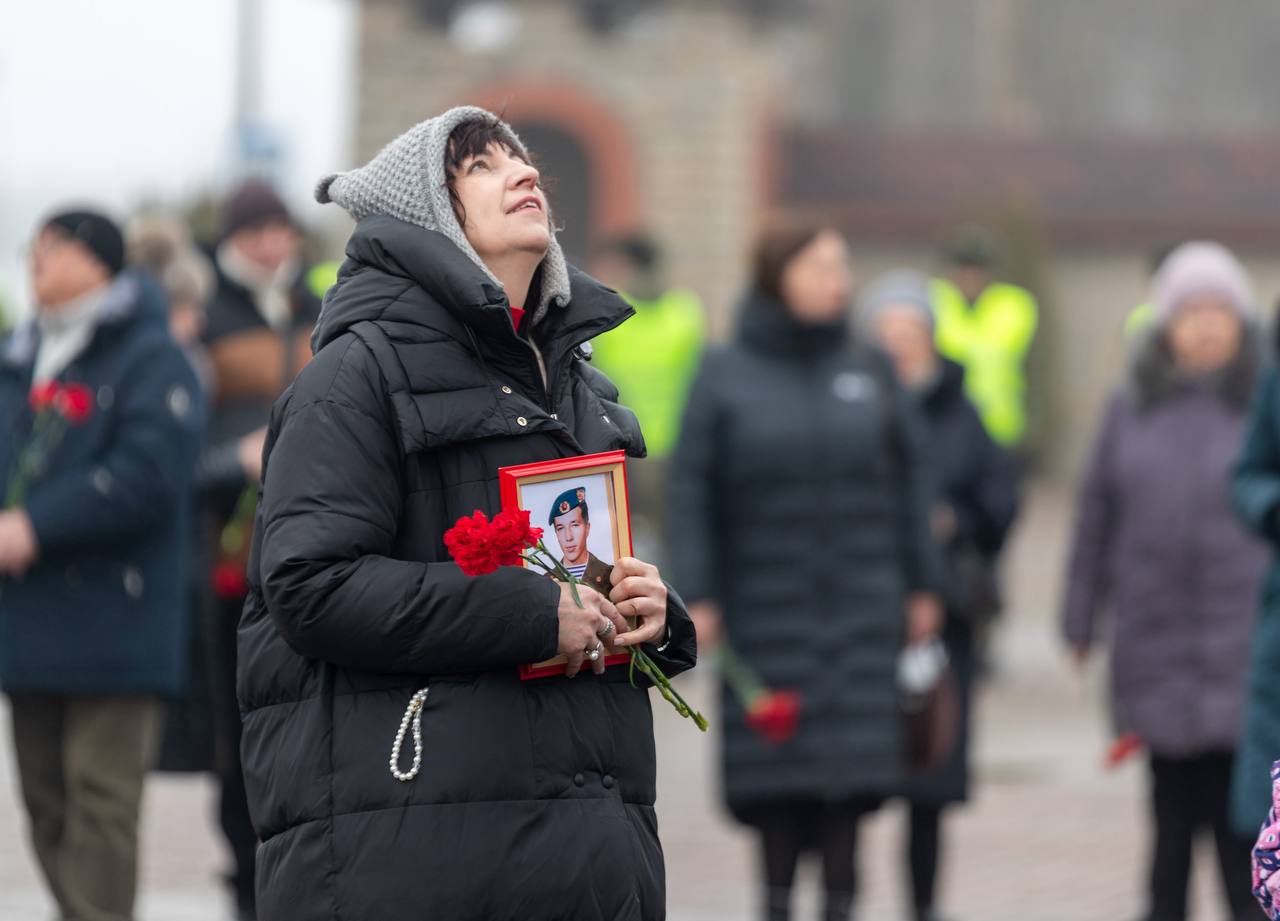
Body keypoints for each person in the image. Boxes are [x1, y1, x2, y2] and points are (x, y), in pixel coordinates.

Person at [236, 106, 697, 920]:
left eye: (524, 162)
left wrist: (648, 614)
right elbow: (307, 586)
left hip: (587, 855)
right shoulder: (353, 376)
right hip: (420, 851)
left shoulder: (579, 384)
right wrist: (527, 612)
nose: (524, 174)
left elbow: (577, 581)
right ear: (426, 214)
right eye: (481, 165)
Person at [668, 221, 945, 921]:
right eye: (819, 264)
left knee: (851, 791)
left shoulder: (870, 366)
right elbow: (690, 491)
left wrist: (923, 584)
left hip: (862, 608)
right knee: (777, 794)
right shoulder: (723, 369)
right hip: (766, 613)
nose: (836, 278)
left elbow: (911, 484)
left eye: (841, 264)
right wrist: (696, 591)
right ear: (776, 274)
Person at [0, 208, 204, 921]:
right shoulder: (23, 352)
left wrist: (36, 523)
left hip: (118, 617)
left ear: (96, 261)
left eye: (52, 248)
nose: (37, 261)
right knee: (46, 803)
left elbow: (150, 473)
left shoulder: (149, 355)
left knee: (102, 803)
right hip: (29, 617)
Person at [1063, 241, 1266, 921]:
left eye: (1220, 311)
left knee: (1249, 837)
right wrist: (1079, 615)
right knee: (1170, 835)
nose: (1207, 326)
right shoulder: (1129, 406)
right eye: (1191, 312)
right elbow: (1095, 516)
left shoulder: (1264, 404)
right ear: (1165, 325)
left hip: (1248, 646)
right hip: (1156, 642)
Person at [857, 270, 1018, 921]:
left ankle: (924, 904)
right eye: (887, 331)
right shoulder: (851, 405)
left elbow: (1002, 500)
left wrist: (957, 522)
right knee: (854, 778)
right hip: (864, 614)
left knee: (930, 777)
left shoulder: (961, 408)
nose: (899, 343)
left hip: (940, 618)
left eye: (911, 330)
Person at [200, 178, 321, 919]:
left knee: (299, 718)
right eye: (258, 231)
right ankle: (243, 879)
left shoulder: (319, 304)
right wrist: (233, 460)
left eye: (282, 229)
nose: (273, 245)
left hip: (302, 535)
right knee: (236, 728)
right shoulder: (209, 311)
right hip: (225, 547)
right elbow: (181, 438)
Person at [589, 233, 705, 564]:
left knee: (636, 539)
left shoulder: (611, 314)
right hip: (651, 448)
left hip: (638, 448)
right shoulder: (686, 312)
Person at [930, 225, 1039, 451]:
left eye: (977, 271)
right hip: (944, 425)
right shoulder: (934, 300)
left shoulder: (1013, 305)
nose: (970, 278)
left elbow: (1005, 351)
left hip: (998, 428)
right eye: (964, 269)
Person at [548, 485, 614, 590]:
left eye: (574, 525)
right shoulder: (545, 582)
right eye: (560, 528)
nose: (568, 537)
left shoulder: (611, 576)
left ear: (587, 528)